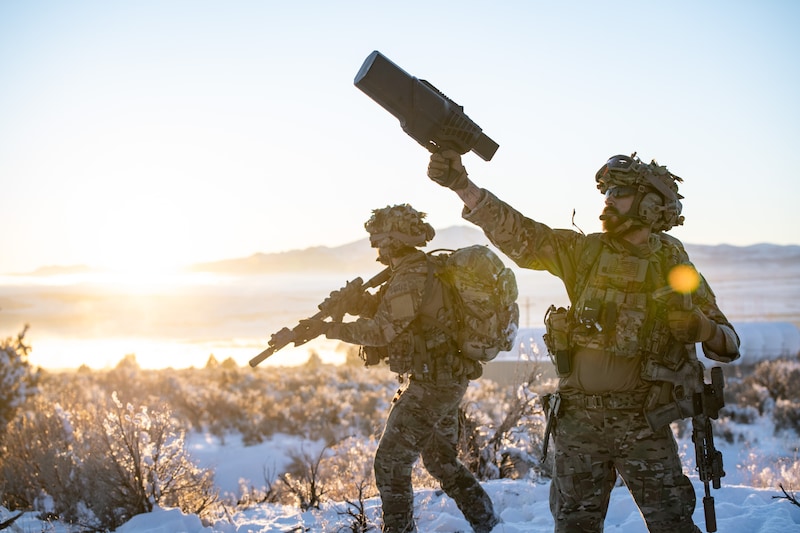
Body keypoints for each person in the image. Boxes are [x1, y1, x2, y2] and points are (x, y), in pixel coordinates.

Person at [427, 150, 741, 533]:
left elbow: (729, 343)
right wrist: (462, 185)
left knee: (672, 525)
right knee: (574, 526)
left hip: (644, 423)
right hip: (579, 424)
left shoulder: (673, 265)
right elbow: (523, 235)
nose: (608, 199)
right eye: (606, 192)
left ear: (650, 203)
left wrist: (703, 328)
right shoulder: (586, 253)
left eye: (619, 192)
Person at [295, 204, 500, 533]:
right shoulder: (413, 270)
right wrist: (356, 303)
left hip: (434, 383)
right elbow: (392, 313)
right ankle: (489, 523)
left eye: (378, 239)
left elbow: (382, 330)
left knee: (390, 463)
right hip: (443, 378)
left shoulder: (410, 275)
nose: (375, 245)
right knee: (441, 461)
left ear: (392, 239)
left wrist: (331, 329)